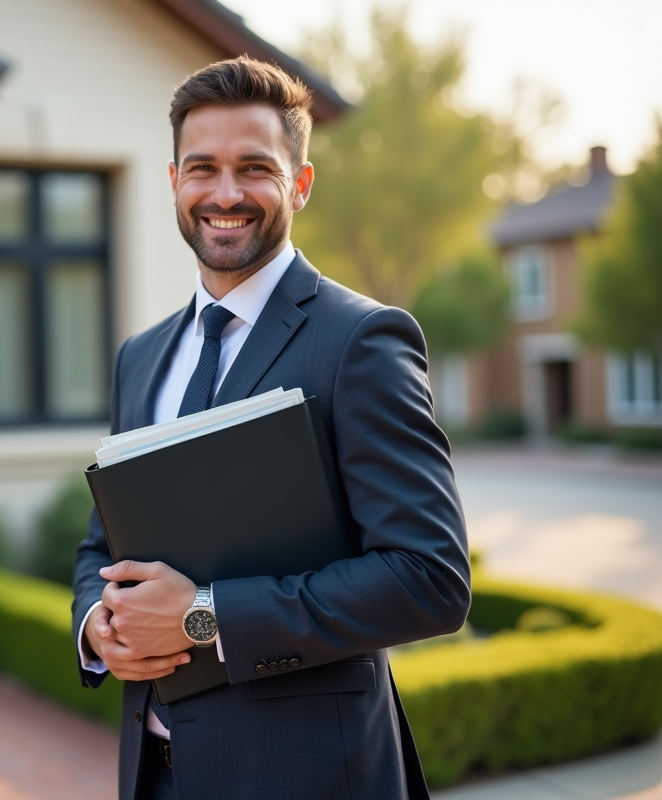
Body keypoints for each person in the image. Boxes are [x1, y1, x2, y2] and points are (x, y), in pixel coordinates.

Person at [71, 56, 471, 800]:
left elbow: (430, 578)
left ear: (301, 183)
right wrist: (97, 625)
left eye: (254, 167)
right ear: (173, 183)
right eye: (203, 169)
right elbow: (104, 544)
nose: (225, 194)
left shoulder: (363, 341)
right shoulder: (141, 357)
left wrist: (200, 618)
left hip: (308, 777)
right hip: (152, 777)